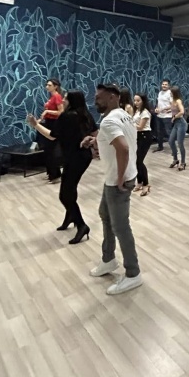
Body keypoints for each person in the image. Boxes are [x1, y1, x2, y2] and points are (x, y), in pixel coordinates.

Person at [84, 82, 142, 295]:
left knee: (120, 227)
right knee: (105, 214)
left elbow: (123, 148)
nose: (95, 101)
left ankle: (133, 273)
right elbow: (120, 140)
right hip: (119, 177)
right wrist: (95, 140)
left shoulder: (109, 121)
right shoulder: (123, 115)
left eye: (99, 98)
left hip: (119, 181)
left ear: (112, 97)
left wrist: (119, 178)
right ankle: (108, 260)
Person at [26, 90, 96, 243]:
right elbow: (95, 131)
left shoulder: (67, 116)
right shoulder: (85, 113)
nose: (63, 100)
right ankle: (70, 216)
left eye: (65, 98)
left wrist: (35, 124)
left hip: (74, 158)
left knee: (64, 195)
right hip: (84, 157)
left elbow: (52, 136)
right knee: (70, 189)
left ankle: (81, 225)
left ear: (71, 101)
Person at [37, 77, 64, 181]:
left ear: (55, 86)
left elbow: (61, 112)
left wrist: (48, 112)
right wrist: (40, 119)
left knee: (51, 149)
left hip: (54, 124)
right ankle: (51, 172)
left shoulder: (57, 96)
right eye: (46, 85)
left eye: (49, 85)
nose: (47, 87)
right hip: (48, 122)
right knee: (47, 149)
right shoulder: (51, 97)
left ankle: (55, 174)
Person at [132, 93, 152, 195]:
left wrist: (129, 124)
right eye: (135, 100)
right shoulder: (137, 111)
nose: (136, 103)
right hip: (137, 137)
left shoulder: (145, 112)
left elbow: (140, 127)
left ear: (143, 101)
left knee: (139, 161)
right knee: (135, 161)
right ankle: (139, 182)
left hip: (145, 136)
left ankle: (146, 184)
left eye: (138, 100)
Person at [168, 86, 187, 171]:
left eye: (171, 92)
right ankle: (175, 159)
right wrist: (162, 110)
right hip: (176, 124)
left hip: (181, 123)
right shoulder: (172, 101)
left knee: (180, 143)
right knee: (171, 141)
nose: (170, 93)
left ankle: (183, 162)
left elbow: (182, 112)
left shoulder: (178, 101)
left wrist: (174, 117)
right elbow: (172, 109)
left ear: (174, 93)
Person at [153, 79, 173, 152]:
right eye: (163, 84)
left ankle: (173, 149)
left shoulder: (170, 93)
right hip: (159, 116)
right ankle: (160, 146)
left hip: (167, 116)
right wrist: (157, 108)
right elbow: (158, 103)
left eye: (166, 84)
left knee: (168, 132)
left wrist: (163, 109)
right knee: (159, 132)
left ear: (169, 86)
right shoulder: (160, 93)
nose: (164, 86)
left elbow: (172, 105)